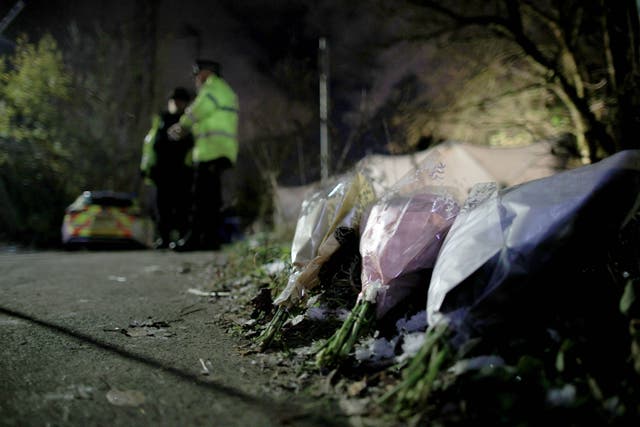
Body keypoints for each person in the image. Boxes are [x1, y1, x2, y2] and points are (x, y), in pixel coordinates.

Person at [167, 59, 239, 251]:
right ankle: (210, 239)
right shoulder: (226, 90)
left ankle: (194, 239)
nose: (196, 80)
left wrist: (181, 126)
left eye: (198, 75)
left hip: (211, 151)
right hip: (222, 150)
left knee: (200, 198)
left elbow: (197, 110)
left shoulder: (212, 89)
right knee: (212, 198)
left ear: (206, 73)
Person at [140, 87, 194, 249]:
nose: (177, 104)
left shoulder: (189, 122)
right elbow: (150, 145)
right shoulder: (161, 119)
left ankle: (182, 237)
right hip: (161, 171)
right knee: (162, 207)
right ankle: (164, 238)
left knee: (182, 206)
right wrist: (146, 166)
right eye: (174, 101)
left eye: (180, 101)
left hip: (182, 171)